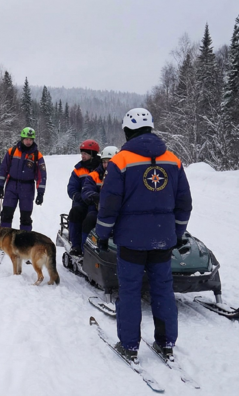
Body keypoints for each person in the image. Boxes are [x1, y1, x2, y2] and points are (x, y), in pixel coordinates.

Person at [95, 108, 192, 362]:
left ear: (127, 131)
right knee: (162, 290)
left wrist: (103, 235)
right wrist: (178, 232)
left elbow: (109, 203)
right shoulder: (173, 160)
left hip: (131, 241)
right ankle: (166, 343)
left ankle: (129, 346)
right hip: (163, 240)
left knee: (129, 291)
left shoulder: (120, 161)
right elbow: (184, 203)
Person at [0, 127, 47, 232]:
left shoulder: (37, 155)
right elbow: (3, 169)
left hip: (27, 188)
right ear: (22, 139)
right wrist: (0, 185)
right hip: (11, 186)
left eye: (31, 139)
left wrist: (40, 193)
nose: (28, 142)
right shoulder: (12, 151)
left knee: (25, 217)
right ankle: (4, 241)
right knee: (6, 214)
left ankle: (24, 243)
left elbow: (41, 175)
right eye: (26, 139)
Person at [66, 139, 102, 257]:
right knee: (75, 212)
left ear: (92, 154)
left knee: (90, 219)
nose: (82, 156)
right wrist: (77, 196)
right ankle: (76, 245)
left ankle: (87, 248)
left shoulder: (102, 169)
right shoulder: (78, 170)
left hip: (95, 203)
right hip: (81, 202)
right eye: (82, 153)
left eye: (85, 153)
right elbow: (72, 187)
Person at [80, 145, 118, 241]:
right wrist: (95, 197)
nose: (105, 165)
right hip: (98, 209)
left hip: (118, 210)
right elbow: (86, 189)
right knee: (90, 219)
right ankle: (82, 245)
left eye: (108, 162)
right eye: (104, 162)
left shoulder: (123, 175)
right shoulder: (94, 175)